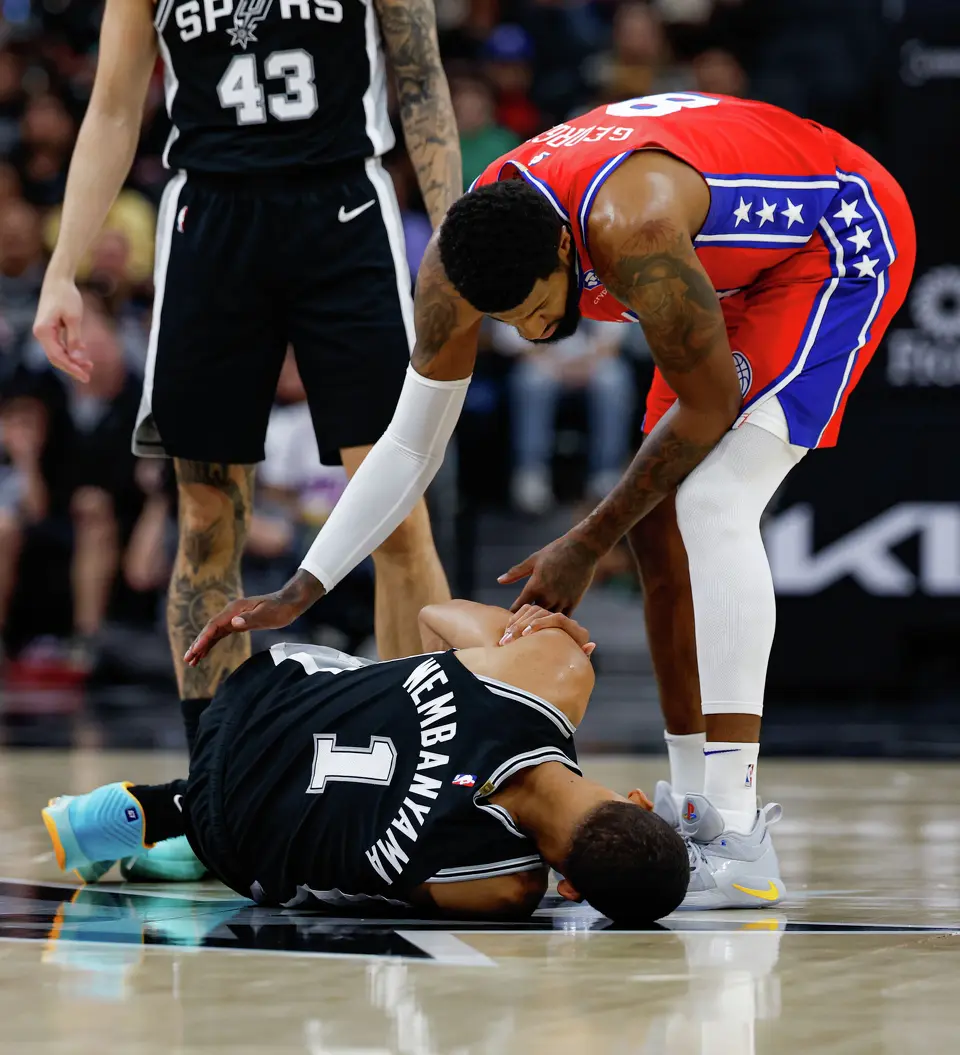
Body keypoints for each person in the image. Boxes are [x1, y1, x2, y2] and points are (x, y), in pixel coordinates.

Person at [185, 92, 916, 909]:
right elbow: (407, 444)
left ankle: (740, 839)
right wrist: (303, 585)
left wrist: (583, 538)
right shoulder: (461, 263)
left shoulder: (633, 227)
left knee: (710, 500)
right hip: (718, 268)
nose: (534, 332)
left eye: (539, 306)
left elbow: (708, 409)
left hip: (832, 241)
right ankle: (695, 806)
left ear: (570, 247)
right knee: (659, 525)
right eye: (512, 322)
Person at [32, 0, 462, 877]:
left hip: (343, 207)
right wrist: (62, 267)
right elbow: (115, 106)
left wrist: (457, 240)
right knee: (203, 519)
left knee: (397, 517)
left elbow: (421, 85)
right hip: (209, 221)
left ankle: (425, 782)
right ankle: (215, 796)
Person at [42, 601, 689, 925]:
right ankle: (171, 813)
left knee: (375, 687)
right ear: (570, 889)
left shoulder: (555, 675)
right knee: (334, 854)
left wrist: (525, 629)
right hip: (236, 841)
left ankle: (165, 810)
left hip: (257, 697)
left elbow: (433, 613)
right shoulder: (504, 890)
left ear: (636, 799)